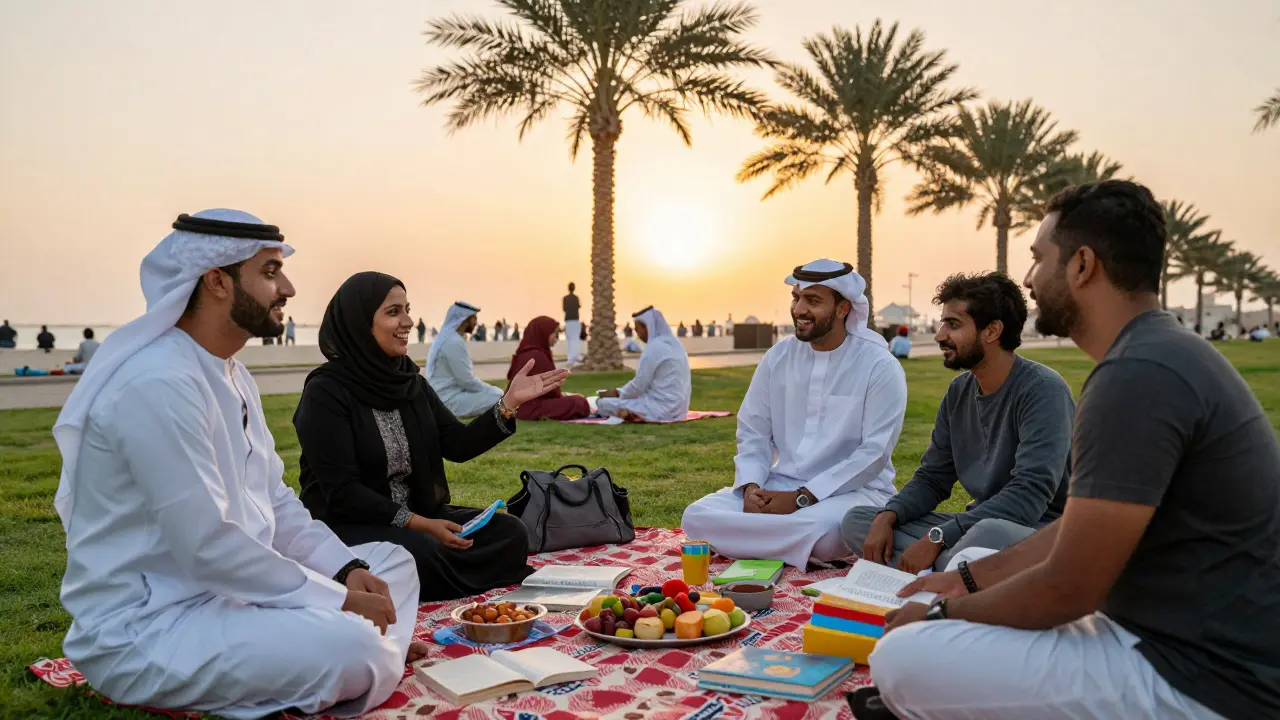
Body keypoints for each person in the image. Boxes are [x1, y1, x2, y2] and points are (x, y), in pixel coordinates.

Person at [864, 181, 1280, 720]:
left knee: (904, 658)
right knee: (972, 558)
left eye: (1039, 259)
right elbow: (1079, 528)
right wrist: (963, 581)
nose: (1031, 280)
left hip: (1200, 678)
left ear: (1082, 265)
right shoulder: (1153, 353)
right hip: (1158, 632)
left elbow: (1069, 587)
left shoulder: (1138, 374)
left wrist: (945, 612)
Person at [54, 210, 428, 719]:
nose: (289, 287)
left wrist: (345, 570)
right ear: (217, 282)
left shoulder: (230, 373)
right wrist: (335, 600)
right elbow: (209, 546)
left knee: (390, 563)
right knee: (353, 649)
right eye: (271, 273)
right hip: (154, 625)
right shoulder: (158, 383)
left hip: (239, 596)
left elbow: (273, 499)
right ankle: (369, 650)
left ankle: (365, 645)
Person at [294, 273, 563, 601]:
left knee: (510, 532)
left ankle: (444, 578)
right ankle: (443, 576)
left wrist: (508, 404)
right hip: (351, 523)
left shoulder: (410, 383)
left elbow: (458, 444)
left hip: (421, 517)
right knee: (420, 553)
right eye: (393, 312)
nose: (408, 321)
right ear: (359, 322)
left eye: (407, 309)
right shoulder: (326, 392)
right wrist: (417, 524)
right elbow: (342, 493)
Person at [841, 272, 1074, 573]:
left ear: (992, 331)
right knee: (858, 521)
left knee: (987, 535)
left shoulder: (1043, 391)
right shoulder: (959, 391)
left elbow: (1029, 496)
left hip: (1035, 532)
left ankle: (949, 570)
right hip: (973, 530)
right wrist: (889, 514)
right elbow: (933, 478)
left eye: (953, 324)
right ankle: (956, 572)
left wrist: (939, 537)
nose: (939, 335)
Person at [681, 260, 907, 569]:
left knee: (823, 532)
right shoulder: (778, 357)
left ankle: (756, 541)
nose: (799, 309)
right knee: (696, 517)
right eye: (796, 297)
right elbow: (754, 431)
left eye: (812, 301)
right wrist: (750, 488)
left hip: (854, 493)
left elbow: (873, 454)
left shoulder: (879, 366)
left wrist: (803, 498)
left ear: (842, 309)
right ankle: (786, 547)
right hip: (778, 486)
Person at [596, 306, 691, 423]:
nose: (637, 334)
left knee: (602, 404)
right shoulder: (676, 344)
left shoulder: (653, 348)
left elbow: (638, 387)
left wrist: (617, 393)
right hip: (680, 411)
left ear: (647, 328)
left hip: (659, 411)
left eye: (637, 329)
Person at [425, 302, 504, 418]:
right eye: (474, 318)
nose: (476, 322)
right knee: (499, 397)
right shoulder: (454, 341)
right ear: (464, 319)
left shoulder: (444, 337)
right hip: (449, 401)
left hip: (443, 397)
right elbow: (467, 381)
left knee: (496, 394)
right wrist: (492, 390)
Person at [508, 317, 590, 421]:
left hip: (520, 406)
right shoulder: (537, 355)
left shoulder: (527, 353)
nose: (557, 337)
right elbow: (551, 391)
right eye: (554, 333)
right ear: (543, 333)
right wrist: (565, 397)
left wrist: (564, 395)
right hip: (531, 409)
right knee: (578, 403)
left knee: (575, 399)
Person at [564, 282, 582, 365]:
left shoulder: (565, 298)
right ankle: (575, 356)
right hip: (575, 320)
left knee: (570, 340)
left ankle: (571, 358)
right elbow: (578, 306)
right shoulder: (576, 298)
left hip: (568, 321)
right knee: (575, 339)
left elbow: (564, 308)